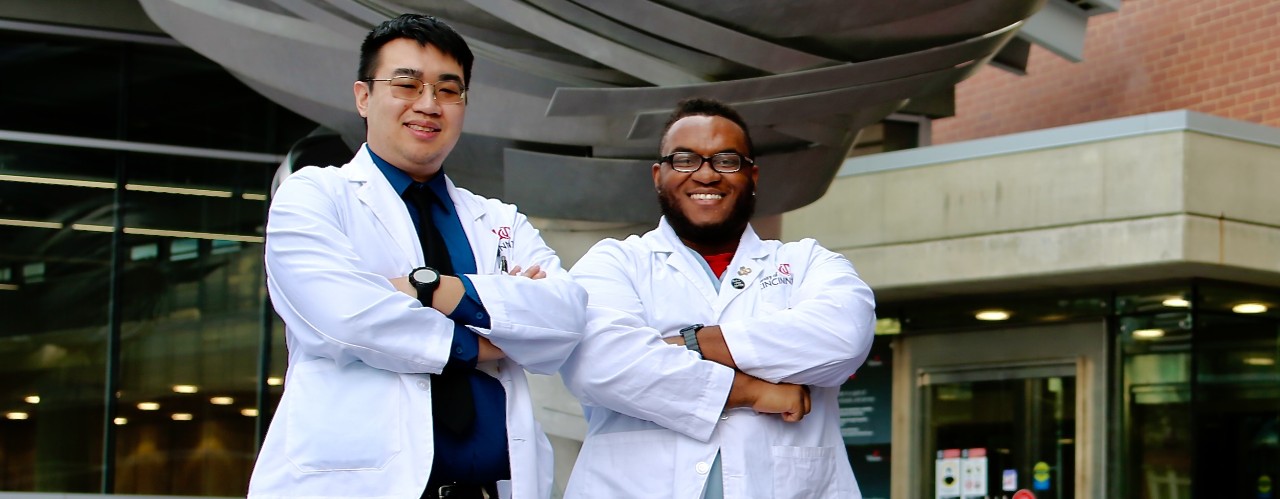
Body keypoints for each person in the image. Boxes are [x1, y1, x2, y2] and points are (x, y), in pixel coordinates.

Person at [248, 14, 587, 499]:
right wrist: (490, 340)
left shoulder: (498, 220)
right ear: (363, 97)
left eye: (449, 90)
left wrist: (429, 288)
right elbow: (349, 319)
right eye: (407, 85)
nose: (429, 104)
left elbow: (564, 319)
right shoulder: (314, 195)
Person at [559, 98, 877, 498]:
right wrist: (754, 390)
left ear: (753, 175)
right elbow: (600, 365)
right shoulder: (615, 262)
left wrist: (689, 344)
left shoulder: (807, 262)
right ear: (659, 175)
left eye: (726, 160)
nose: (706, 175)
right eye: (685, 159)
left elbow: (843, 338)